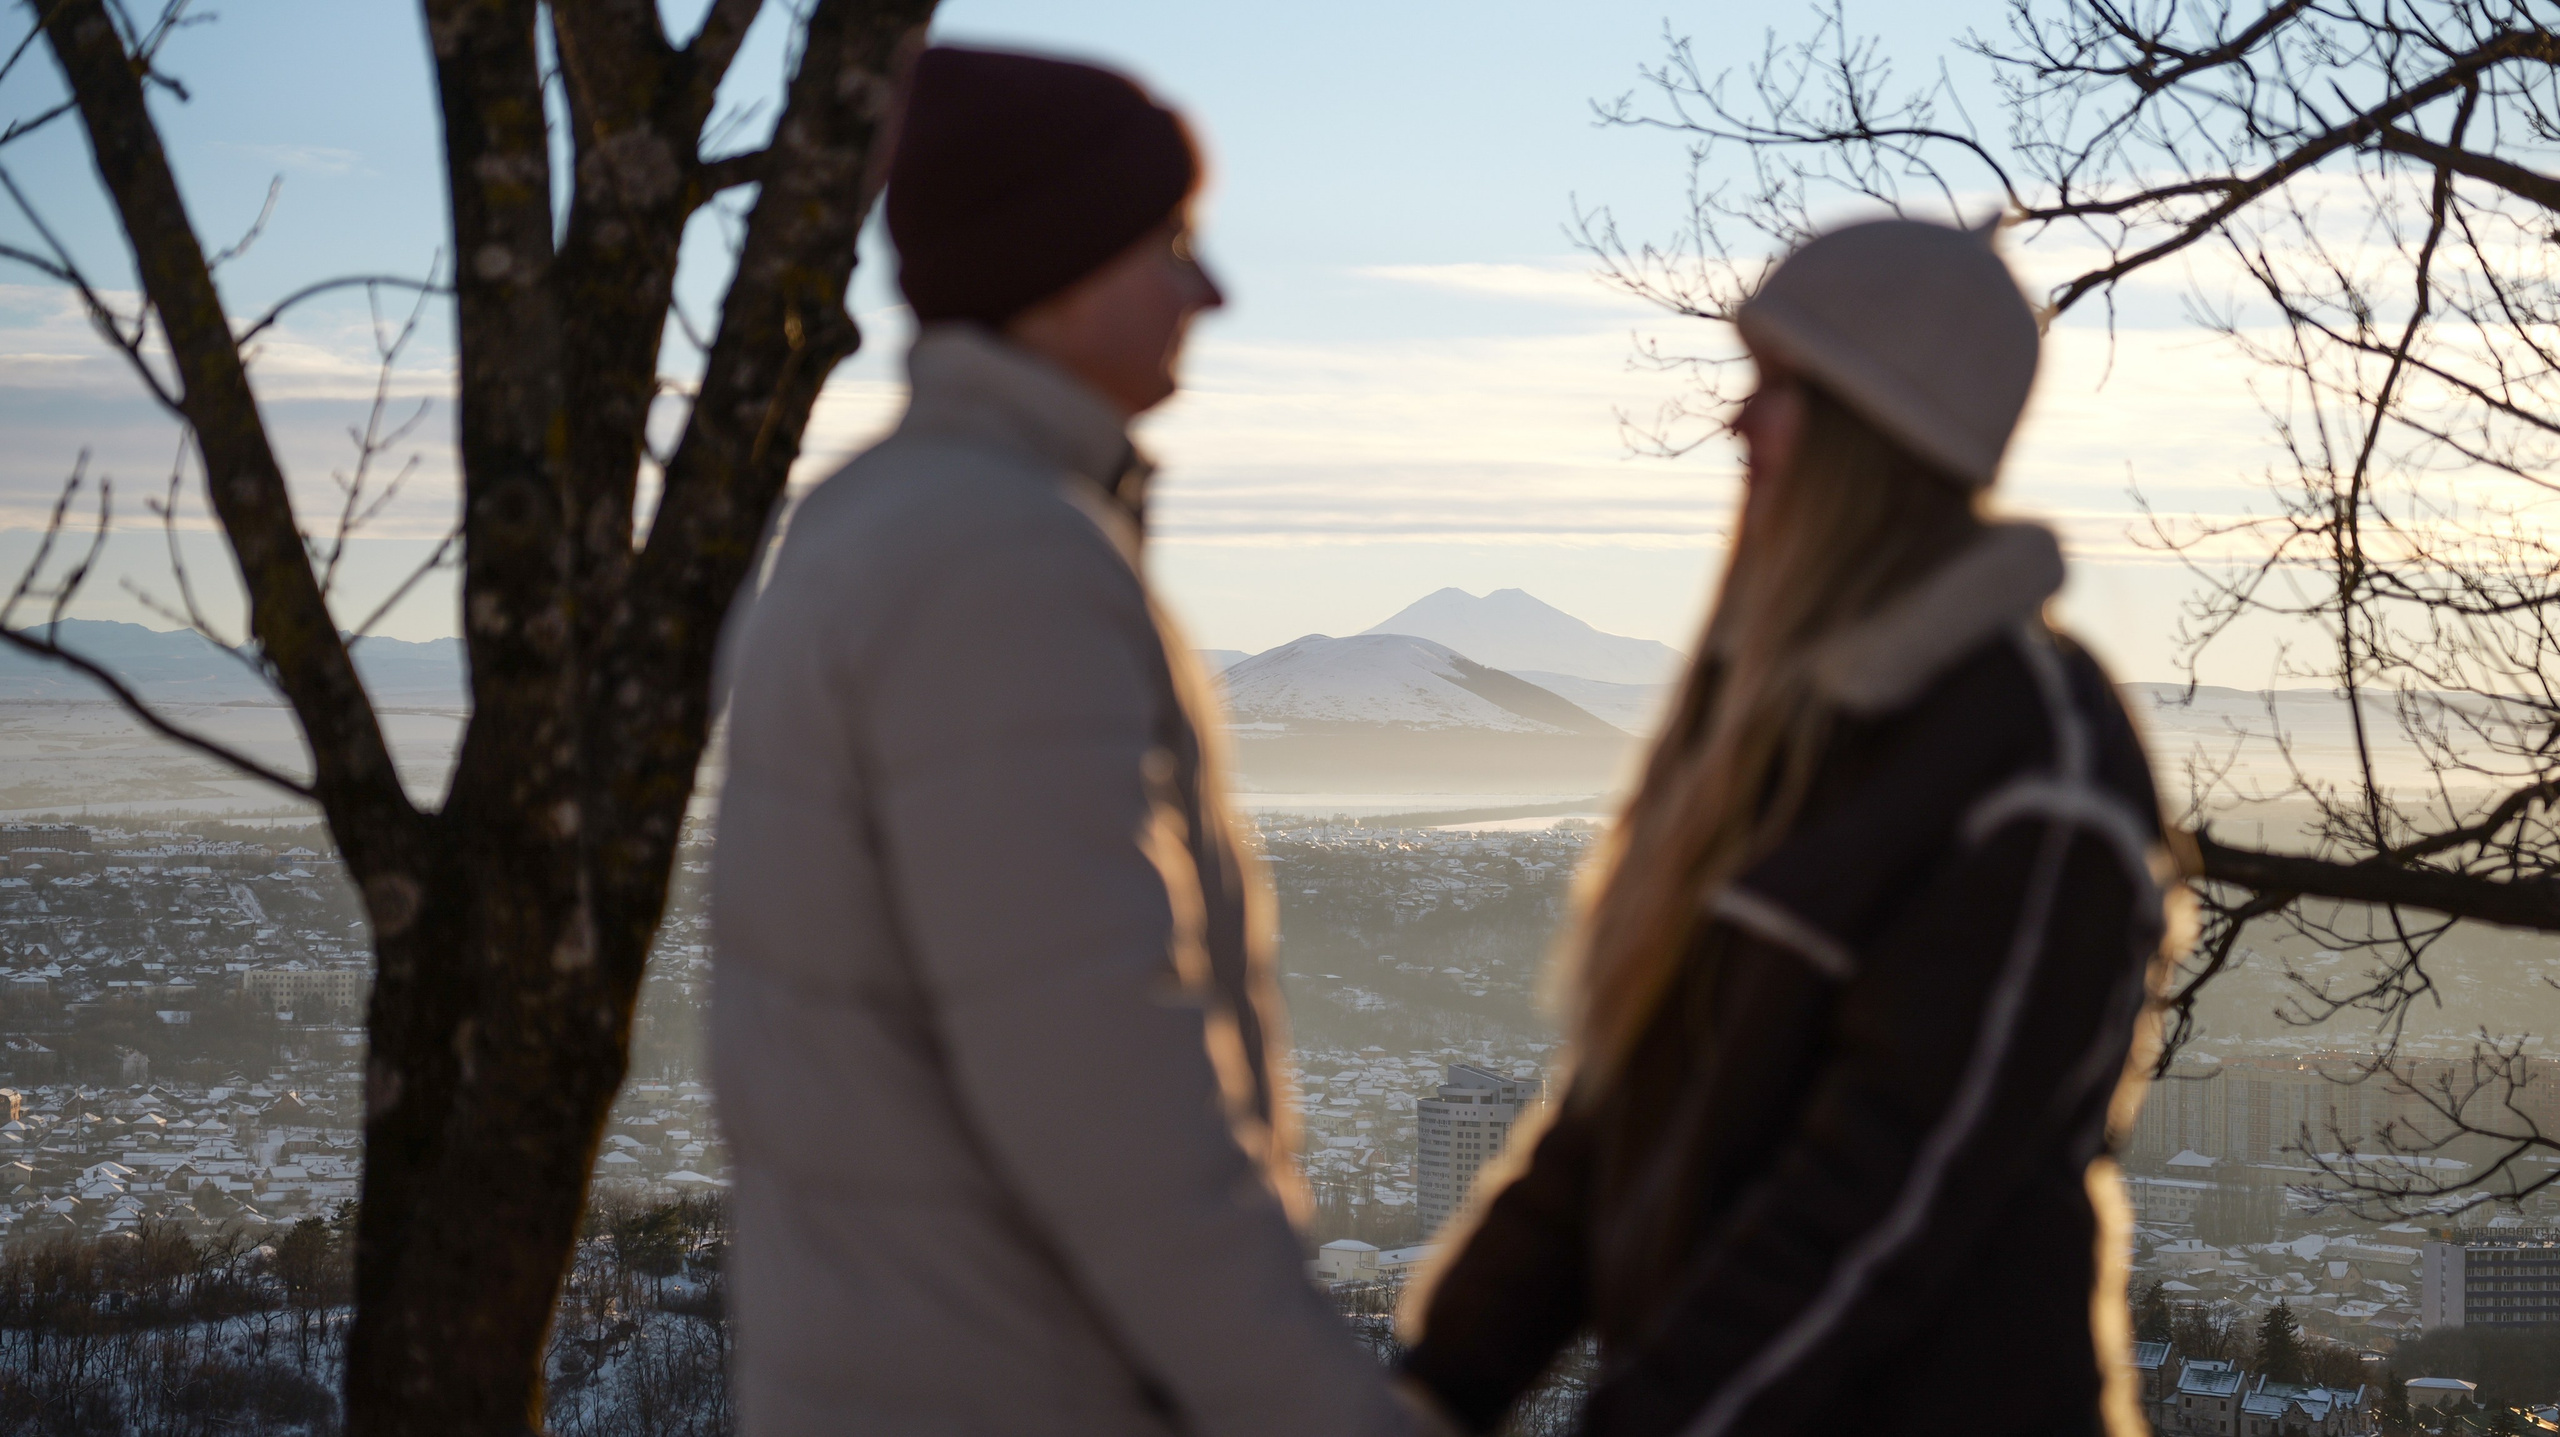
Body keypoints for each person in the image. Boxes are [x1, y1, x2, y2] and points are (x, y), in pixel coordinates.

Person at [711, 47, 1414, 1437]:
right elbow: (1106, 1096)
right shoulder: (1000, 562)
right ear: (1060, 264)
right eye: (1169, 245)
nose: (1208, 293)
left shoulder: (879, 520)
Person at [1395, 218, 2189, 1437]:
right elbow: (1614, 1117)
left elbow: (1881, 1208)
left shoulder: (2031, 760)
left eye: (1776, 387)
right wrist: (1434, 1388)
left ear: (1878, 429)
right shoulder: (1785, 733)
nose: (1735, 425)